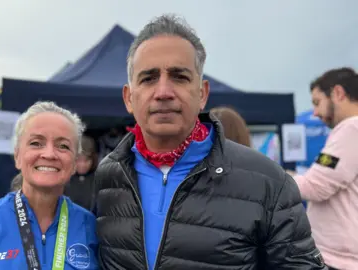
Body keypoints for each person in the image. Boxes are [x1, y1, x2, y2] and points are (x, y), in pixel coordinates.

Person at [93, 14, 326, 270]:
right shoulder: (109, 175)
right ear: (129, 98)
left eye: (179, 77)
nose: (163, 92)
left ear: (202, 93)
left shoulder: (269, 182)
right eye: (148, 78)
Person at [0, 101, 99, 270]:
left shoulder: (91, 227)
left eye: (63, 146)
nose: (49, 154)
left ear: (74, 163)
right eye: (36, 143)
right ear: (17, 156)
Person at [287, 67, 358, 270]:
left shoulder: (351, 129)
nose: (315, 113)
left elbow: (315, 187)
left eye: (317, 103)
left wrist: (272, 176)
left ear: (338, 93)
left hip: (338, 260)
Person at [64, 135, 97, 211]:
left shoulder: (98, 179)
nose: (82, 165)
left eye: (86, 160)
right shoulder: (64, 179)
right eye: (78, 160)